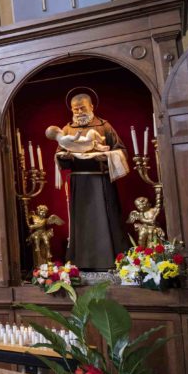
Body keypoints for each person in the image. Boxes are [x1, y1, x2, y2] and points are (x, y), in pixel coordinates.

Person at [55, 93, 128, 270]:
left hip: (101, 180)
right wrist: (64, 158)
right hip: (80, 184)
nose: (79, 112)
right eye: (75, 109)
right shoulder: (67, 130)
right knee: (82, 223)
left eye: (82, 108)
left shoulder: (104, 126)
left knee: (106, 220)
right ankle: (82, 262)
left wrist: (107, 156)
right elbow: (59, 156)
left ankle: (110, 261)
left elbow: (122, 151)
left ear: (92, 107)